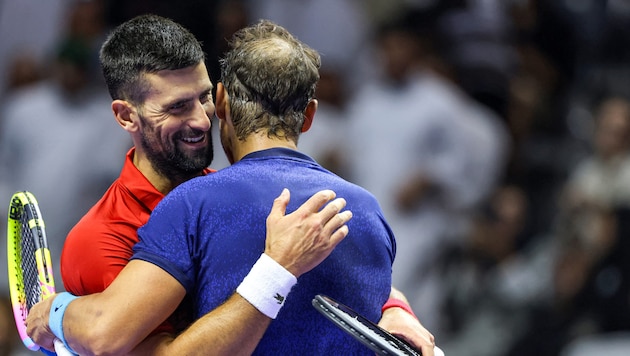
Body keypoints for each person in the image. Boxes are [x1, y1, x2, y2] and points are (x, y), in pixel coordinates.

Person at [26, 15, 436, 355]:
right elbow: (109, 336)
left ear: (220, 97)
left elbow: (329, 258)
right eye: (177, 107)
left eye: (204, 98)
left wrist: (393, 305)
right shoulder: (99, 239)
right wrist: (60, 314)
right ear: (125, 116)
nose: (203, 120)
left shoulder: (212, 198)